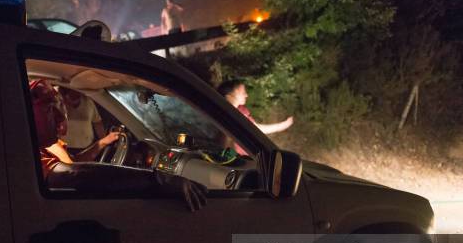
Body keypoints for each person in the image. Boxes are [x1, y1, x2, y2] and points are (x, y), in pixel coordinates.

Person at [29, 79, 206, 211]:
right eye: (50, 109)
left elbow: (74, 163)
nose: (60, 118)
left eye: (58, 108)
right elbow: (73, 174)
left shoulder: (42, 147)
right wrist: (161, 179)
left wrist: (103, 142)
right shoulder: (27, 154)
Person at [217, 79, 294, 134]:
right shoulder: (220, 114)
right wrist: (282, 125)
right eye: (243, 92)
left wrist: (282, 125)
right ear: (229, 96)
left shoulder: (241, 111)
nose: (246, 95)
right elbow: (257, 130)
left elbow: (256, 129)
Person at [58, 87, 111, 155]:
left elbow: (97, 122)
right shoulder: (57, 103)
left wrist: (104, 141)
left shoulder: (88, 102)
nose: (75, 94)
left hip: (88, 148)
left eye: (77, 92)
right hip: (63, 149)